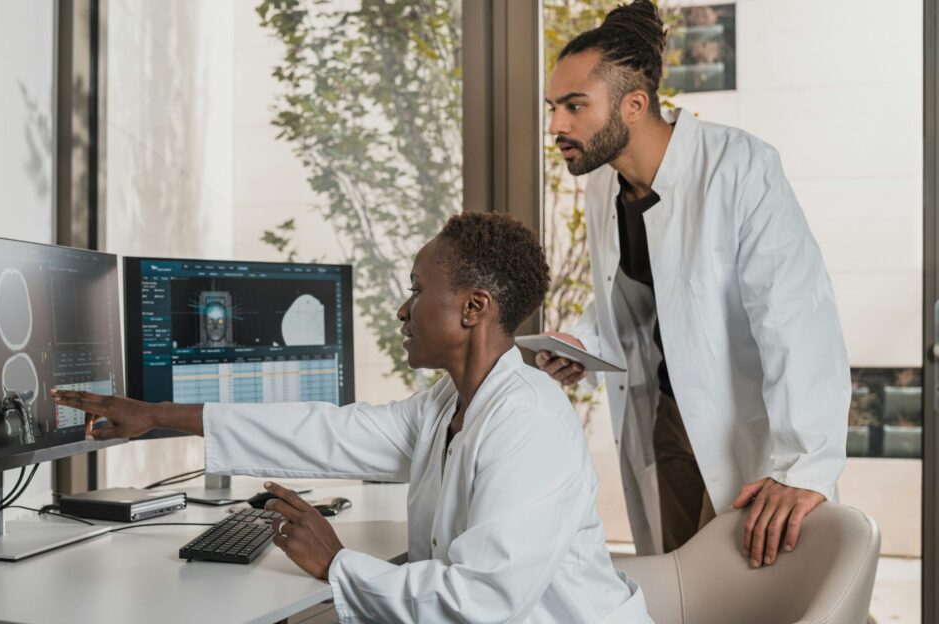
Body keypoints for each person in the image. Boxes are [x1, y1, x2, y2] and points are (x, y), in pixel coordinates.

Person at [53, 212, 651, 623]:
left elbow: (480, 604)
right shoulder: (449, 403)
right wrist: (157, 414)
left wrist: (336, 562)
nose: (402, 309)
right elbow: (328, 433)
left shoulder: (529, 423)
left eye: (417, 290)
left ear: (474, 308)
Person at [536, 0, 849, 569]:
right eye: (554, 107)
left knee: (747, 589)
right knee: (682, 585)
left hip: (744, 427)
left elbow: (797, 317)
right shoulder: (605, 185)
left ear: (634, 105)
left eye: (574, 106)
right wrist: (585, 341)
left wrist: (803, 466)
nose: (556, 125)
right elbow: (634, 302)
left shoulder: (738, 166)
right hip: (666, 419)